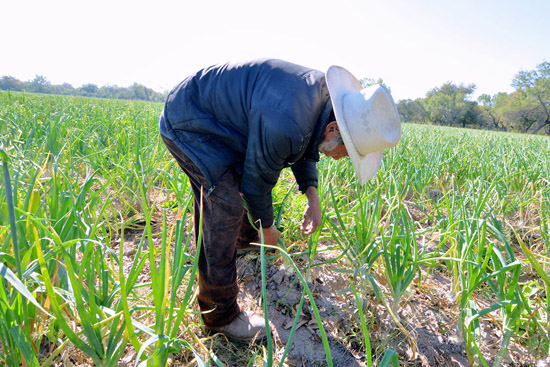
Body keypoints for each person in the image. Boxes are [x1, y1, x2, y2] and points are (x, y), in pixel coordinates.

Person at [159, 58, 401, 341]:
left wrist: (313, 196)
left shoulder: (320, 105)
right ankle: (219, 316)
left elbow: (307, 144)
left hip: (224, 124)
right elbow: (256, 183)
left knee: (242, 187)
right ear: (335, 129)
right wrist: (268, 229)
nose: (341, 158)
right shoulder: (288, 121)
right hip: (191, 122)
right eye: (347, 152)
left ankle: (244, 244)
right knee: (223, 205)